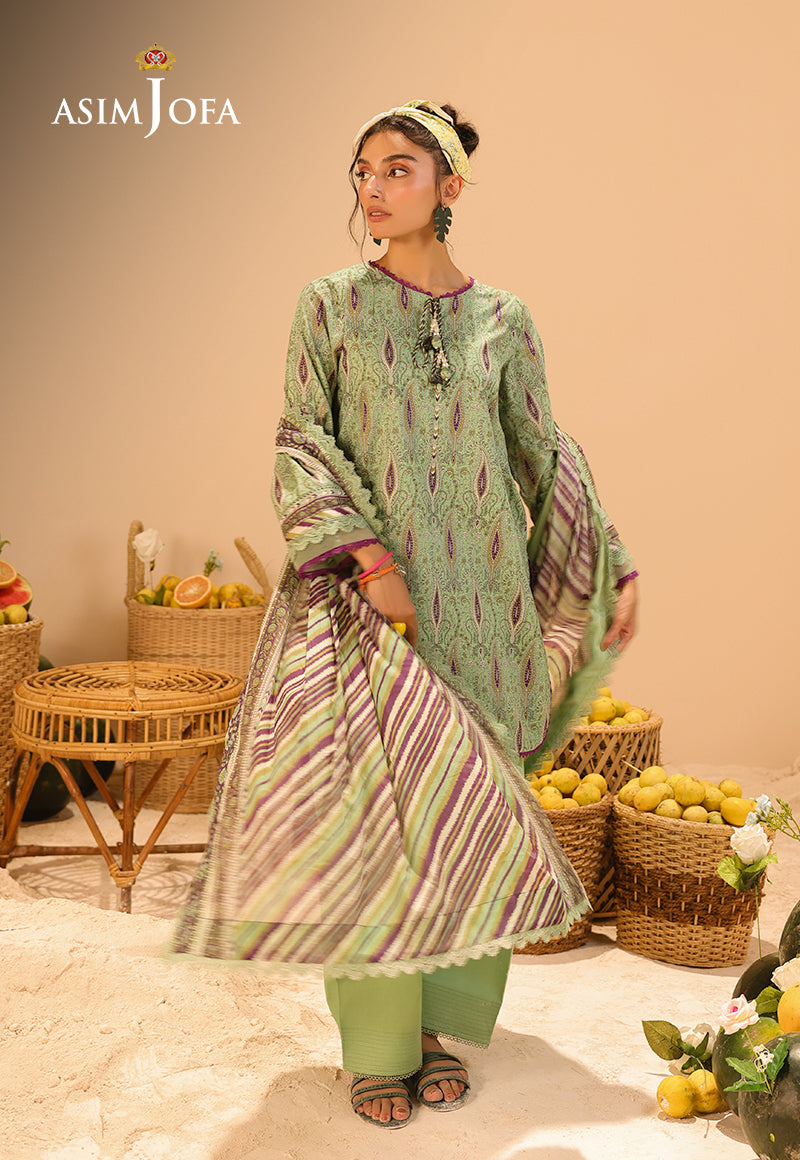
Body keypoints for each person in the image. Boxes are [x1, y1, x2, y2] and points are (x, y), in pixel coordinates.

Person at [169, 99, 637, 1130]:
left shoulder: (503, 318)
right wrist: (370, 558)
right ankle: (376, 1047)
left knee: (467, 817)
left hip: (485, 608)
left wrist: (609, 561)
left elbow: (541, 450)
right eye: (362, 171)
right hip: (366, 608)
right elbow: (301, 436)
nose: (372, 189)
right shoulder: (329, 305)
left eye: (397, 170)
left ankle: (438, 1029)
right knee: (373, 825)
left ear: (449, 187)